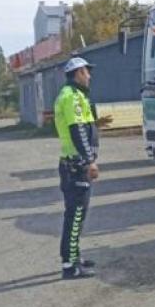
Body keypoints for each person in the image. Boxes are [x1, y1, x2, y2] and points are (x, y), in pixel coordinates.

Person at [54, 57, 101, 279]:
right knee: (75, 215)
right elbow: (78, 131)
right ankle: (69, 266)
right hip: (76, 166)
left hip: (73, 164)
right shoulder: (72, 97)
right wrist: (90, 160)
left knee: (77, 216)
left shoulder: (76, 95)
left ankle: (74, 256)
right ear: (77, 74)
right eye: (86, 72)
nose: (89, 76)